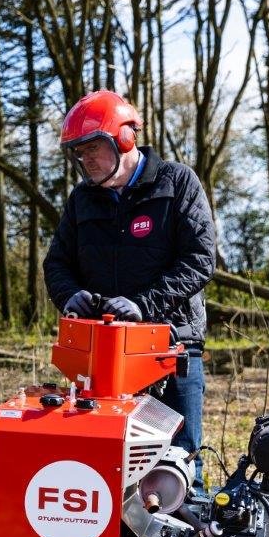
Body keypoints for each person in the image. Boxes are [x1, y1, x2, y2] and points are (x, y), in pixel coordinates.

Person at [42, 90, 216, 487]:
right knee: (103, 462)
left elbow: (199, 260)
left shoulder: (177, 184)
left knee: (177, 463)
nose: (85, 161)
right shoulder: (82, 200)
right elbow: (57, 263)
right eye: (79, 154)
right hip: (102, 357)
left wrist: (143, 305)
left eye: (92, 150)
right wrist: (69, 296)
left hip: (170, 351)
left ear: (123, 139)